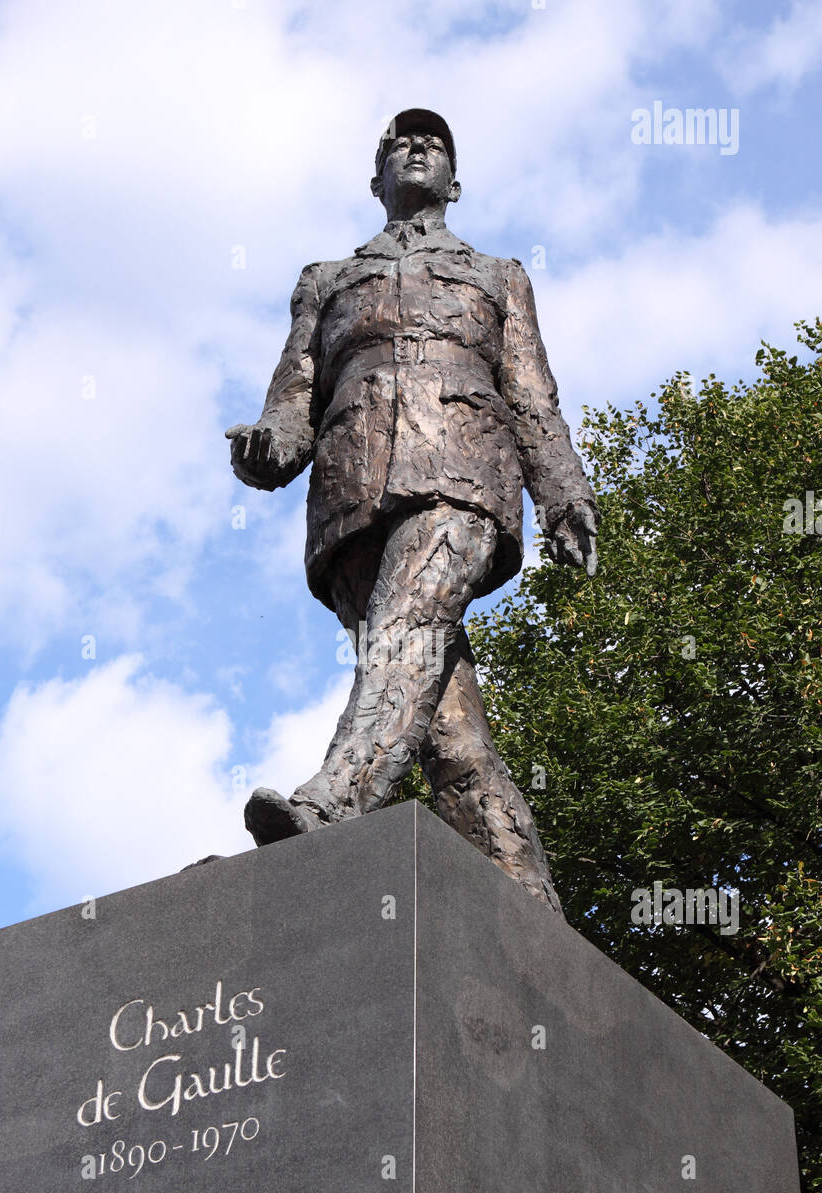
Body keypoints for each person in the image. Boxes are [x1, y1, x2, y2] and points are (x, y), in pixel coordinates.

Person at [226, 109, 598, 908]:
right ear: (376, 179)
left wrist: (564, 491)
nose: (418, 149)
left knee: (407, 633)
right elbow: (294, 398)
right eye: (401, 142)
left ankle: (332, 802)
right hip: (350, 496)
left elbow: (532, 397)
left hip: (463, 476)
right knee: (451, 737)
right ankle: (531, 907)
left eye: (433, 144)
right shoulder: (325, 279)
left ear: (454, 182)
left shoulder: (499, 276)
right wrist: (266, 449)